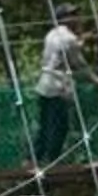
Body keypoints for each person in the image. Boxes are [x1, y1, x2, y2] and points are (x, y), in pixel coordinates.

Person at [33, 10, 84, 163]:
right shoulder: (70, 37)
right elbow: (77, 63)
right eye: (74, 15)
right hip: (57, 87)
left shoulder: (51, 35)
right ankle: (52, 160)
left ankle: (34, 157)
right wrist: (96, 78)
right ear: (66, 19)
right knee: (60, 127)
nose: (77, 18)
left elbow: (62, 52)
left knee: (44, 125)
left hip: (44, 84)